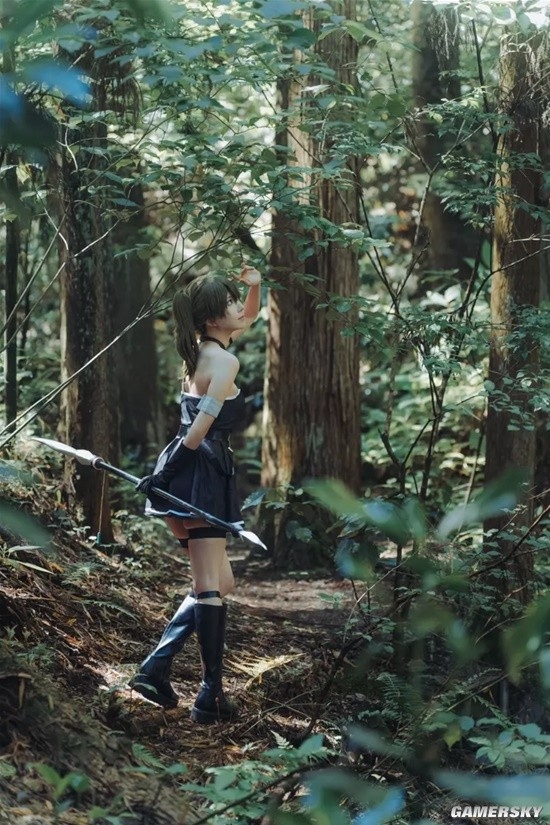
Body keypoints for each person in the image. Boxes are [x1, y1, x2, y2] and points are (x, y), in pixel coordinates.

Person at [129, 265, 262, 724]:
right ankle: (210, 695)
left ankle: (156, 667)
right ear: (210, 320)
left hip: (184, 471)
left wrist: (254, 286)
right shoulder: (225, 362)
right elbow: (200, 431)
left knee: (220, 583)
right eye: (229, 303)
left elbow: (250, 316)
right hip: (199, 474)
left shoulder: (202, 354)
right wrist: (167, 476)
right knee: (209, 586)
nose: (238, 309)